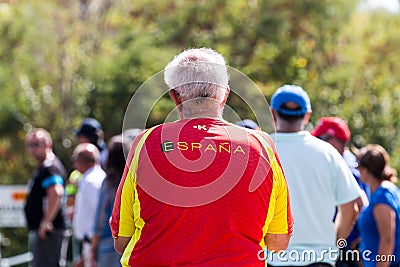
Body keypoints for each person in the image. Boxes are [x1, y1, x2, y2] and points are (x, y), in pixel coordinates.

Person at [110, 48, 294, 266]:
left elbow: (122, 239)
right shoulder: (262, 146)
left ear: (175, 96)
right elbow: (278, 241)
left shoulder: (145, 143)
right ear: (224, 95)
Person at [267, 85, 363, 267]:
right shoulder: (328, 152)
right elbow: (352, 207)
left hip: (272, 257)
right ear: (307, 115)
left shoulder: (260, 150)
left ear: (273, 113)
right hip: (319, 258)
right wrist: (334, 242)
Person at [311, 116, 369, 267]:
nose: (316, 142)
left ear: (335, 141)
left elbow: (361, 205)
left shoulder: (344, 166)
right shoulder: (345, 159)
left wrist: (337, 243)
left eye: (320, 138)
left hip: (346, 248)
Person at [24, 128, 68, 267]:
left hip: (49, 232)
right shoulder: (44, 167)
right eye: (29, 145)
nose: (32, 149)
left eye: (36, 144)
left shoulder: (50, 167)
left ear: (48, 144)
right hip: (43, 232)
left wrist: (46, 222)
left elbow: (56, 192)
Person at [90, 135, 131, 267]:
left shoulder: (109, 183)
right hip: (132, 242)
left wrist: (93, 245)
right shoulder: (136, 180)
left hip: (109, 242)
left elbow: (100, 216)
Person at [357, 144, 400, 267]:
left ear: (367, 170)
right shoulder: (388, 190)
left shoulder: (383, 197)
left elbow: (387, 239)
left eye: (359, 167)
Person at [71, 143, 106, 267]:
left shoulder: (90, 181)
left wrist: (93, 247)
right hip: (92, 243)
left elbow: (100, 216)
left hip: (94, 244)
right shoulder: (96, 177)